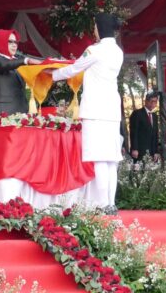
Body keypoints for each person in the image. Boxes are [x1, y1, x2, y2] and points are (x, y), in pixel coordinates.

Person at [48, 13, 124, 210]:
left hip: (95, 110)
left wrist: (51, 75)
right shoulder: (117, 51)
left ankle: (101, 204)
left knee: (99, 158)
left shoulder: (94, 50)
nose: (94, 30)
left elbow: (74, 69)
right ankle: (111, 203)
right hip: (111, 111)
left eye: (95, 26)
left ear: (100, 27)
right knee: (110, 160)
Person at [0, 29, 41, 115]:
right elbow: (5, 65)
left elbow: (34, 71)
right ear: (1, 41)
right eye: (10, 42)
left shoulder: (18, 60)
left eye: (16, 42)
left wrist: (49, 66)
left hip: (22, 109)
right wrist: (27, 60)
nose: (14, 45)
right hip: (3, 111)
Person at [129, 91, 160, 162]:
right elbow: (134, 132)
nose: (153, 104)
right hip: (140, 151)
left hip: (152, 152)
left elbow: (155, 134)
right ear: (146, 101)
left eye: (155, 101)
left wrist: (156, 151)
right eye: (151, 101)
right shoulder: (137, 114)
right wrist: (134, 148)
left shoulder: (155, 116)